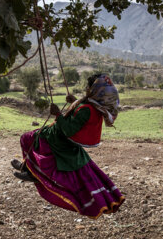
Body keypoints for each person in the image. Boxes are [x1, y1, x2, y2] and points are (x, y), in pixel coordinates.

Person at [11, 74, 125, 219]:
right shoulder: (95, 106)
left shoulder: (88, 108)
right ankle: (26, 167)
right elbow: (81, 112)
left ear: (94, 90)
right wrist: (74, 101)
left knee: (27, 138)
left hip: (58, 138)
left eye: (88, 87)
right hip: (61, 135)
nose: (86, 88)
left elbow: (68, 130)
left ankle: (32, 172)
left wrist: (57, 114)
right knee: (30, 138)